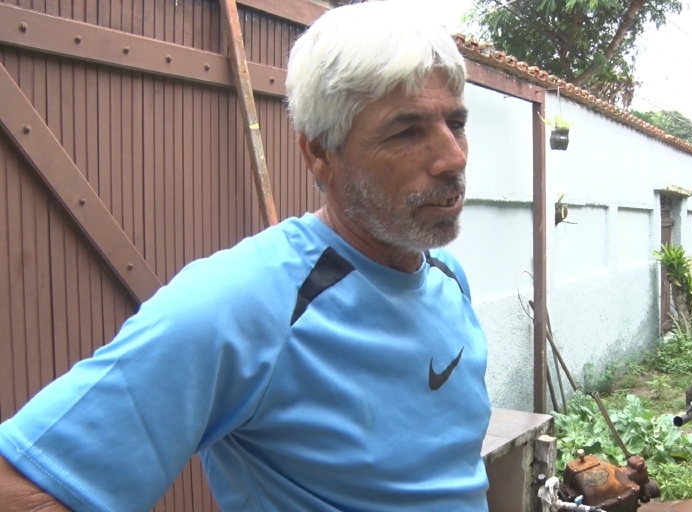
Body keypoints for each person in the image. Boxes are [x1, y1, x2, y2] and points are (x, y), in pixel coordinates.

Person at [0, 2, 491, 510]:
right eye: (406, 130)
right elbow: (18, 488)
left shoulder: (446, 275)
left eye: (455, 122)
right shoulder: (243, 305)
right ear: (320, 153)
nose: (452, 156)